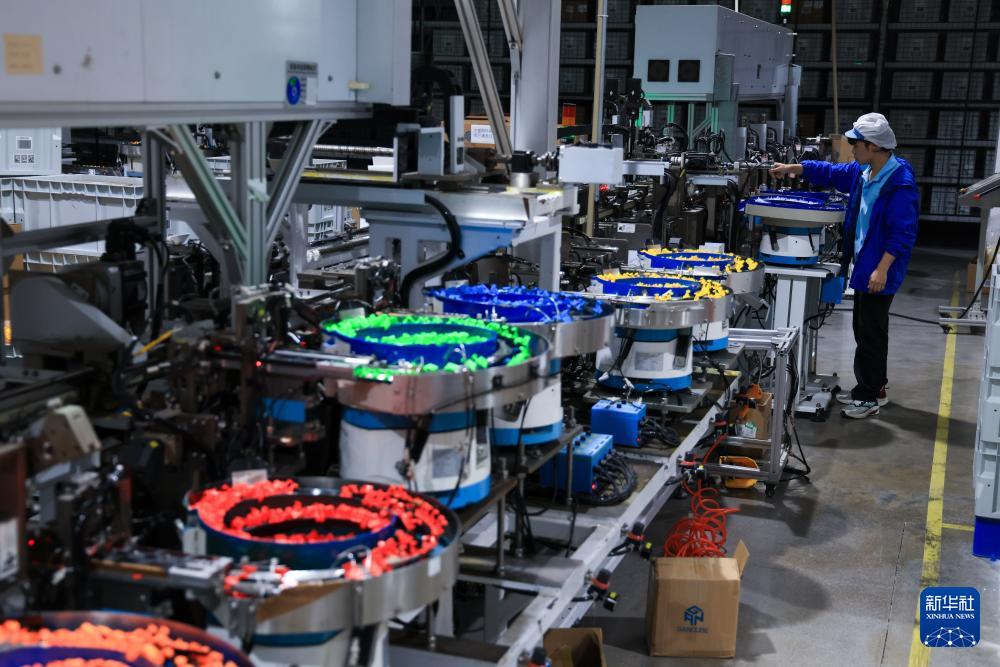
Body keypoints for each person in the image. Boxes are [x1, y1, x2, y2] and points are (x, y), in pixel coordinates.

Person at [770, 112, 919, 419]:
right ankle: (874, 388)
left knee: (870, 334)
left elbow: (903, 233)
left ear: (873, 146)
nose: (852, 149)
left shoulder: (899, 183)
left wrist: (882, 269)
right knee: (864, 329)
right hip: (866, 262)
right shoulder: (864, 171)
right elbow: (831, 172)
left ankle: (868, 397)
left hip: (880, 268)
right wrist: (793, 168)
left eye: (856, 144)